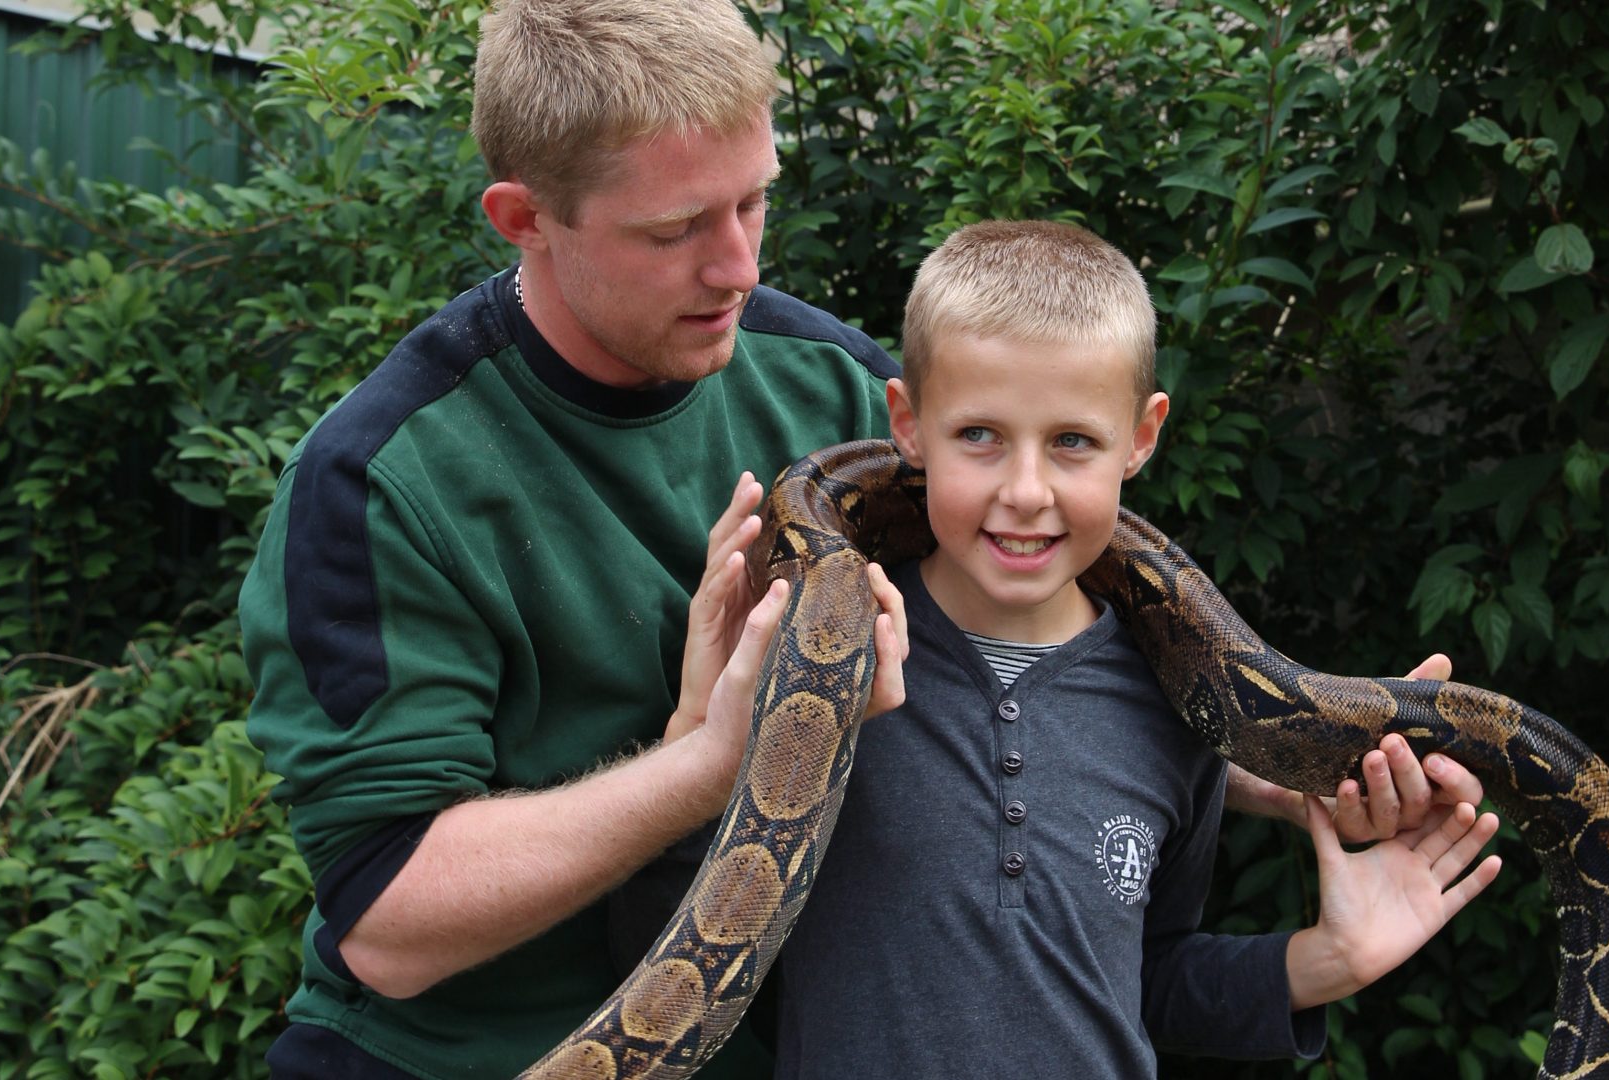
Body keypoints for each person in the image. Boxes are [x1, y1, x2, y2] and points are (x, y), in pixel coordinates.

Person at [240, 2, 1486, 1077]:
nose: (736, 266)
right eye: (677, 229)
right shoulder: (384, 482)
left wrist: (1249, 741)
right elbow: (388, 926)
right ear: (525, 218)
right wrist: (706, 760)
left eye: (755, 200)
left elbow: (1031, 611)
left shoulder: (829, 387)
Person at [767, 221, 1504, 1079]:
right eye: (980, 435)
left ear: (1142, 438)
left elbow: (1141, 981)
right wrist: (701, 732)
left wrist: (1326, 962)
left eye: (1073, 441)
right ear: (908, 424)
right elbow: (681, 936)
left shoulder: (1179, 709)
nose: (1026, 490)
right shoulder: (824, 668)